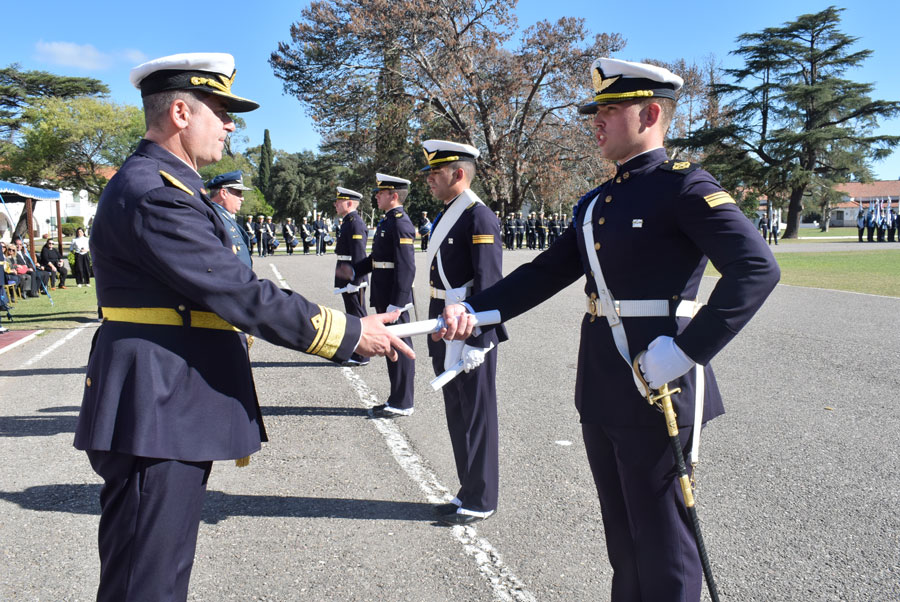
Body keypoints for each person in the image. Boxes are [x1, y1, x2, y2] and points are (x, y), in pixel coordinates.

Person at [73, 52, 412, 602]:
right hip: (156, 406)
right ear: (181, 112)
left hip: (163, 404)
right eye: (221, 110)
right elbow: (237, 291)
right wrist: (349, 334)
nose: (231, 124)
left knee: (156, 572)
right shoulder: (157, 192)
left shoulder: (163, 186)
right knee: (146, 582)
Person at [438, 58, 780, 601]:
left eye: (610, 110)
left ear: (649, 113)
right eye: (596, 111)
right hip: (603, 387)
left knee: (665, 545)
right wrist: (478, 312)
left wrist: (686, 352)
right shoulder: (596, 203)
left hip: (659, 384)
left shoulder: (685, 188)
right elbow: (545, 272)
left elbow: (757, 269)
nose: (596, 121)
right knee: (624, 544)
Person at [420, 139, 507, 526]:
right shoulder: (447, 214)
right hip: (444, 317)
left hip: (469, 325)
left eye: (435, 174)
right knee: (457, 411)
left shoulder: (478, 216)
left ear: (458, 174)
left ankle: (483, 496)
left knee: (477, 413)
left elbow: (489, 283)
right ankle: (467, 490)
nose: (429, 181)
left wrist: (481, 339)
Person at [354, 173, 417, 417]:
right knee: (391, 345)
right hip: (385, 293)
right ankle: (397, 398)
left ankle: (403, 402)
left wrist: (397, 303)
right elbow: (377, 259)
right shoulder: (388, 221)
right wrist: (354, 270)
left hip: (393, 297)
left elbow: (407, 266)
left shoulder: (400, 222)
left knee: (399, 346)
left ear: (393, 196)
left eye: (381, 192)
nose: (376, 195)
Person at [333, 187, 369, 366]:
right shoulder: (348, 221)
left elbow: (359, 255)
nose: (335, 204)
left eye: (339, 201)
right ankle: (357, 351)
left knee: (358, 316)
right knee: (352, 315)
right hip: (346, 274)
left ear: (348, 203)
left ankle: (362, 355)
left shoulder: (355, 222)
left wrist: (356, 281)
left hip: (353, 276)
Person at [206, 170, 253, 267]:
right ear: (224, 193)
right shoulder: (214, 217)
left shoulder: (224, 216)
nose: (242, 198)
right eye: (238, 193)